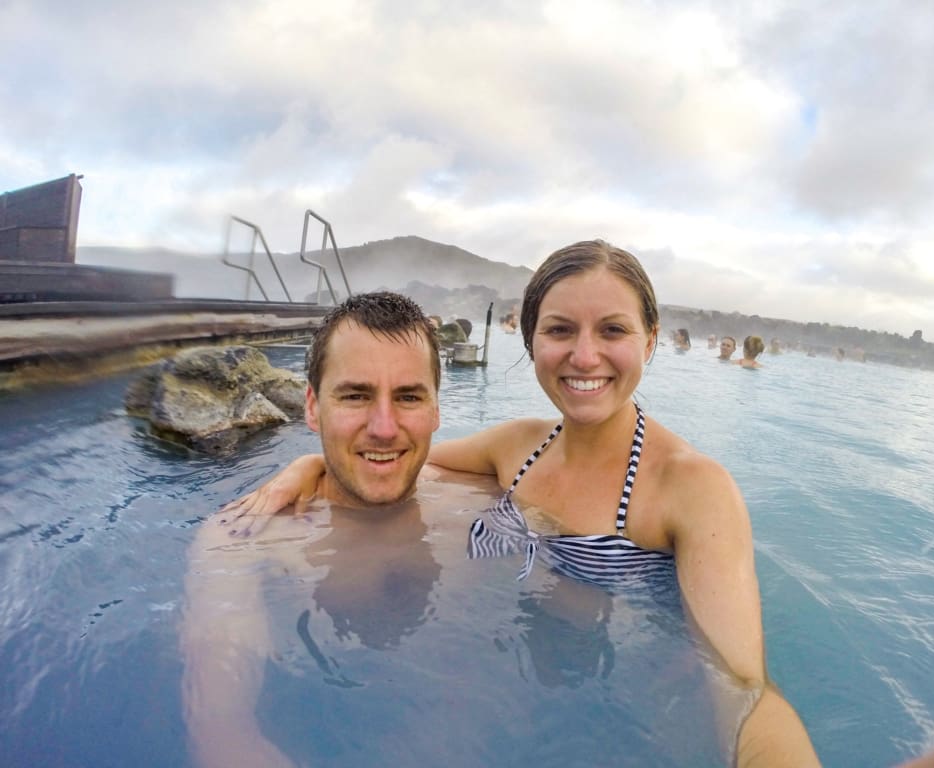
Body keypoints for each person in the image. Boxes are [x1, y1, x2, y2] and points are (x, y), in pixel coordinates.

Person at [228, 241, 820, 766]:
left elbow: (745, 687)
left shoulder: (692, 488)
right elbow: (394, 455)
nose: (584, 356)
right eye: (560, 330)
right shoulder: (518, 446)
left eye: (612, 330)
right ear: (532, 338)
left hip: (611, 713)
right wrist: (306, 464)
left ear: (651, 339)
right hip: (498, 679)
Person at [183, 292, 501, 767]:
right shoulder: (244, 539)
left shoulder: (483, 502)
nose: (384, 427)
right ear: (312, 407)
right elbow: (225, 737)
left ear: (437, 409)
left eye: (409, 397)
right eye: (355, 396)